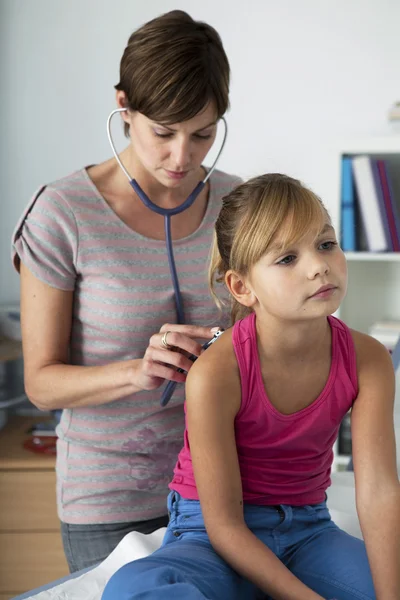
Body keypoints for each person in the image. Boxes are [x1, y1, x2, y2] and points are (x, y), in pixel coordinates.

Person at [11, 10, 241, 572]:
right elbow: (41, 384)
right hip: (108, 501)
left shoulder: (240, 205)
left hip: (223, 488)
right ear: (124, 107)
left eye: (202, 134)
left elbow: (257, 333)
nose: (182, 158)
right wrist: (139, 371)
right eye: (163, 132)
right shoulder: (63, 213)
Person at [102, 174, 400, 600]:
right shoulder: (216, 372)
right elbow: (224, 526)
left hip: (308, 533)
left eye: (326, 243)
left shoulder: (369, 359)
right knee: (134, 587)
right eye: (286, 259)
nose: (318, 266)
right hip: (210, 536)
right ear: (242, 287)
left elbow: (379, 492)